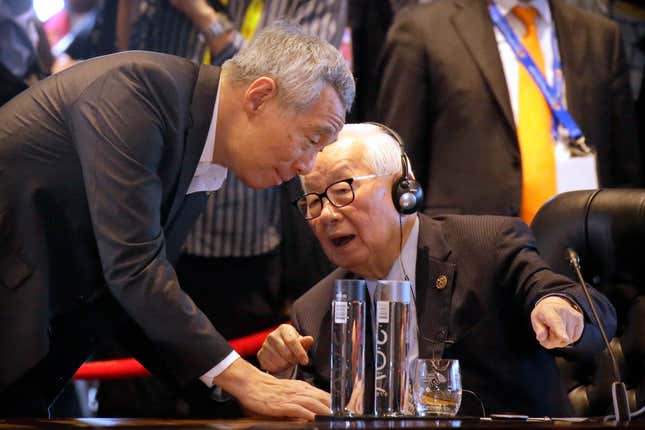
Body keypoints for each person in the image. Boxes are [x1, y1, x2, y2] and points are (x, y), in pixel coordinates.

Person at [0, 22, 354, 419]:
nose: (307, 165)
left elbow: (131, 297)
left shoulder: (196, 136)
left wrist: (236, 396)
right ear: (259, 96)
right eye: (310, 140)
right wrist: (242, 380)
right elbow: (134, 270)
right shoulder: (138, 92)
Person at [256, 123, 617, 417]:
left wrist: (563, 308)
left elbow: (587, 308)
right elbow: (309, 411)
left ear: (402, 189)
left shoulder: (486, 247)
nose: (327, 214)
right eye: (314, 201)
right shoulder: (315, 310)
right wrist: (282, 372)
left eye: (342, 190)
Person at [376, 0, 641, 223]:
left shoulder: (600, 38)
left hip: (582, 264)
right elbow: (395, 174)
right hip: (467, 265)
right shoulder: (422, 31)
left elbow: (625, 175)